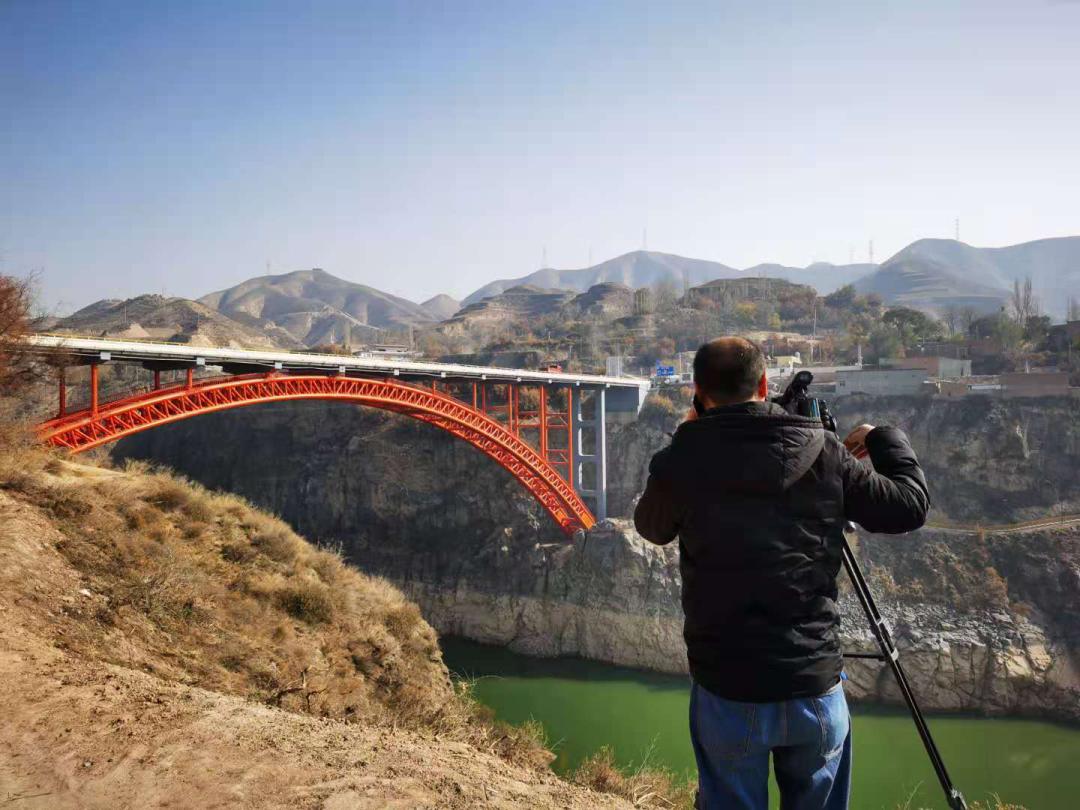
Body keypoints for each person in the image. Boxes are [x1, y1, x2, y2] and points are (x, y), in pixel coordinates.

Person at [634, 337, 929, 810]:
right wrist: (881, 436)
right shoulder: (825, 451)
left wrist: (685, 438)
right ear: (765, 384)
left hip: (727, 687)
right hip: (812, 682)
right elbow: (909, 506)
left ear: (697, 391)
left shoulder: (681, 462)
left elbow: (651, 528)